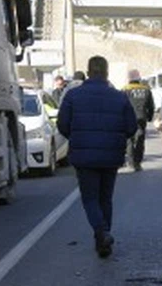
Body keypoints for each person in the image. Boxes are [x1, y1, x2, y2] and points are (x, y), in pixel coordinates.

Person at [56, 56, 137, 257]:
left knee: (90, 198)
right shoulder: (119, 97)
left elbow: (62, 125)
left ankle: (101, 233)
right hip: (111, 156)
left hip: (84, 157)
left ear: (88, 71)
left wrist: (78, 138)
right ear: (107, 72)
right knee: (105, 198)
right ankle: (104, 239)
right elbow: (131, 127)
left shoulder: (73, 96)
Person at [123, 69, 155, 172]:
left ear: (129, 79)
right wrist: (150, 117)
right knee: (140, 140)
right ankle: (138, 162)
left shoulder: (124, 90)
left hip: (128, 118)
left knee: (129, 140)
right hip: (141, 117)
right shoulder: (146, 90)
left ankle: (131, 162)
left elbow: (121, 105)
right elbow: (151, 106)